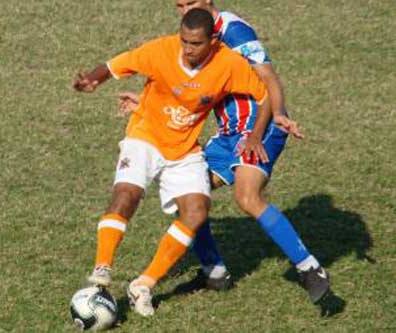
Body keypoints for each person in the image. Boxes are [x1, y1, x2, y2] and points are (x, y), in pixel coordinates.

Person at [118, 0, 330, 304]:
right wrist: (146, 104)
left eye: (190, 3)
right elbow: (192, 91)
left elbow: (269, 80)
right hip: (230, 134)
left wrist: (262, 130)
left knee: (247, 196)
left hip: (261, 126)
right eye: (179, 5)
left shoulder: (235, 32)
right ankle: (214, 272)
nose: (184, 10)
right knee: (189, 199)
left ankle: (310, 268)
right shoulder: (196, 36)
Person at [74, 8, 271, 316]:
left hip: (184, 149)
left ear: (213, 41)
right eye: (184, 41)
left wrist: (258, 134)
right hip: (145, 136)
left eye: (195, 44)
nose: (188, 49)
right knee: (127, 194)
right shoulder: (161, 50)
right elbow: (116, 66)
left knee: (196, 211)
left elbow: (265, 95)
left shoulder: (229, 63)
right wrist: (92, 80)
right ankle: (102, 269)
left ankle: (143, 285)